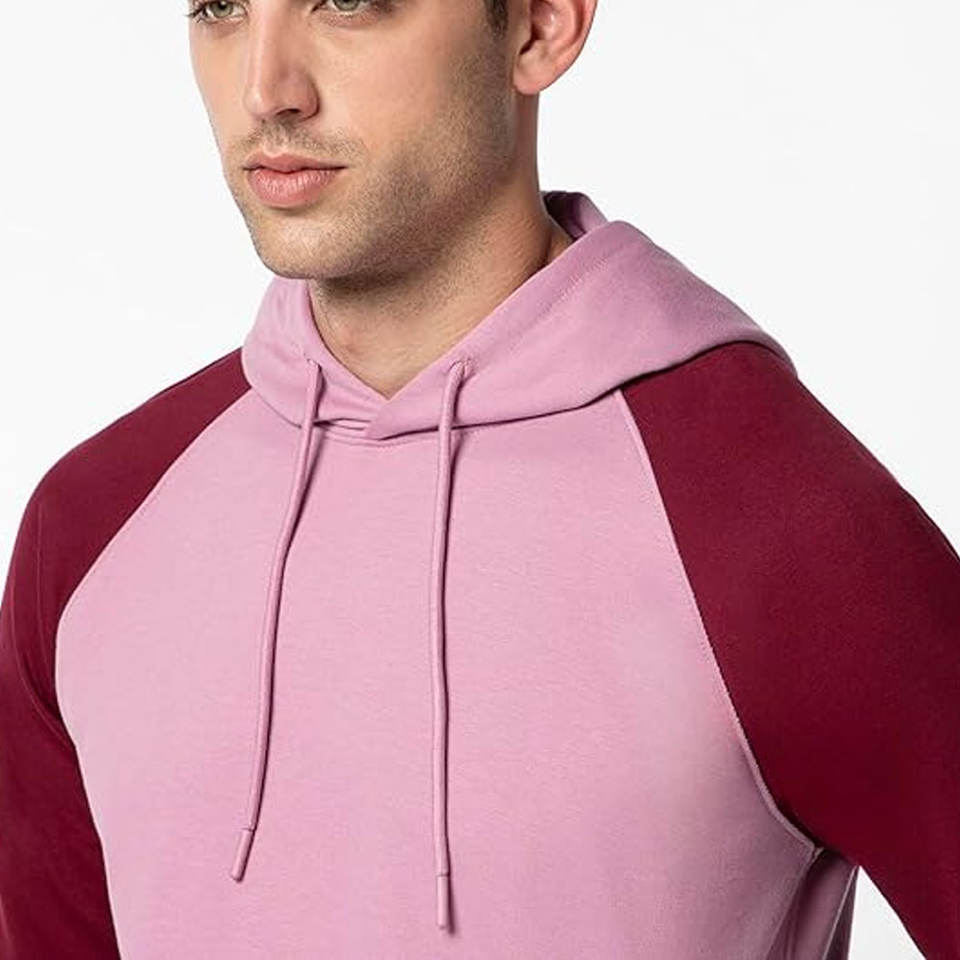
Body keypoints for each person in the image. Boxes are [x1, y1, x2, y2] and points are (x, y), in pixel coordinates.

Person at [1, 1, 957, 957]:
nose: (265, 89)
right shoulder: (95, 524)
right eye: (220, 7)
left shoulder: (779, 522)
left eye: (347, 2)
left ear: (541, 26)